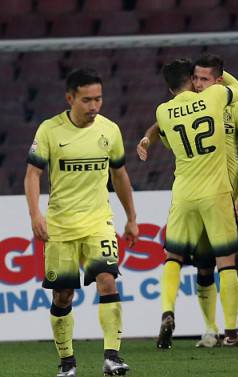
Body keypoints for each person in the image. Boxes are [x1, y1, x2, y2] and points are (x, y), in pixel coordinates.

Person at [24, 68, 139, 376]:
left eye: (98, 99)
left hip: (98, 222)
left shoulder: (109, 130)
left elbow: (120, 174)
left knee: (108, 281)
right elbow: (33, 174)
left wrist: (131, 218)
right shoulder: (50, 130)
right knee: (63, 295)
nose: (94, 106)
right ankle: (67, 363)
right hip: (60, 227)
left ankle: (112, 357)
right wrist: (36, 213)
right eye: (87, 100)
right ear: (70, 98)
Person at [137, 54, 238, 348]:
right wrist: (220, 78)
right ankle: (229, 330)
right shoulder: (217, 96)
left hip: (183, 192)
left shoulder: (163, 111)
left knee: (173, 256)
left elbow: (163, 134)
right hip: (217, 193)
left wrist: (146, 138)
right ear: (192, 80)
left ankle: (167, 312)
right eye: (197, 78)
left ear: (168, 88)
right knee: (225, 263)